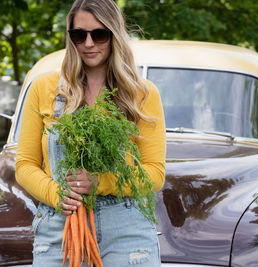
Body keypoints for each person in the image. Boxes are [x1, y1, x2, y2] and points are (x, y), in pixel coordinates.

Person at [15, 0, 166, 266]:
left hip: (126, 229)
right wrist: (57, 194)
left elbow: (154, 173)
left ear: (114, 35)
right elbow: (25, 165)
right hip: (59, 228)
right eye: (78, 34)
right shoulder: (43, 88)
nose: (88, 43)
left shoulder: (141, 94)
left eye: (99, 34)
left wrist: (100, 182)